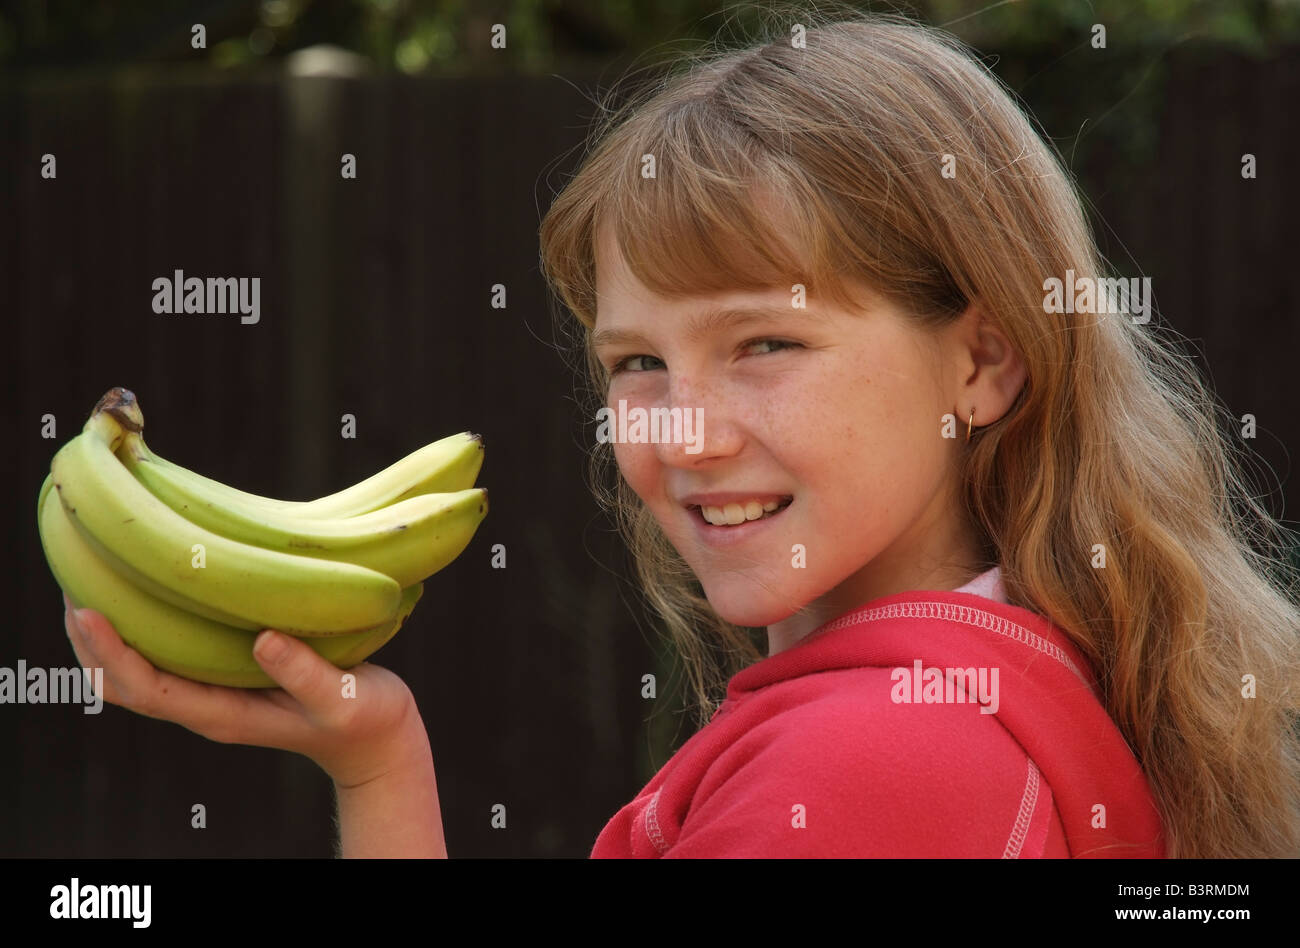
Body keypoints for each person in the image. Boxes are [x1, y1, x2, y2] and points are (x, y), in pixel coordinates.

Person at [62, 12, 1300, 858]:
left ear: (980, 362)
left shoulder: (868, 768)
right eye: (638, 362)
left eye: (766, 344)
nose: (684, 436)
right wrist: (379, 764)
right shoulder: (1001, 687)